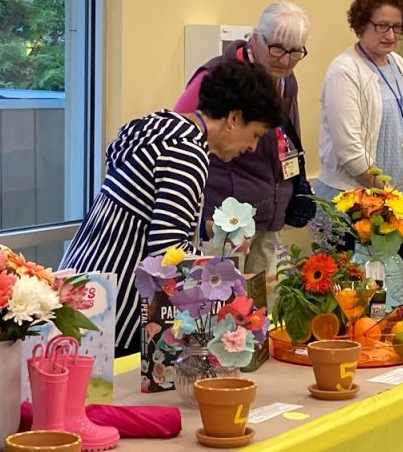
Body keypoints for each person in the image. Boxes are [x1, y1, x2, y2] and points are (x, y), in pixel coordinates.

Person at [62, 60, 284, 356]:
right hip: (116, 309)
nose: (253, 147)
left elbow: (142, 204)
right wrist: (231, 281)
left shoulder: (164, 125)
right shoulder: (188, 154)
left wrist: (206, 227)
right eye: (255, 134)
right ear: (233, 117)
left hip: (82, 285)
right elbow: (167, 252)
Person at [175, 1, 310, 277]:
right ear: (255, 38)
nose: (285, 60)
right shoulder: (217, 76)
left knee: (259, 305)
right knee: (217, 305)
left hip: (269, 215)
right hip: (222, 220)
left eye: (295, 52)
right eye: (277, 49)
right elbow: (180, 130)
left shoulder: (286, 79)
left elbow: (287, 140)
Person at [314, 0, 403, 203]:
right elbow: (350, 153)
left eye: (397, 27)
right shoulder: (344, 71)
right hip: (357, 201)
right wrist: (392, 196)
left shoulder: (397, 63)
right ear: (362, 24)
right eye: (382, 26)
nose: (390, 35)